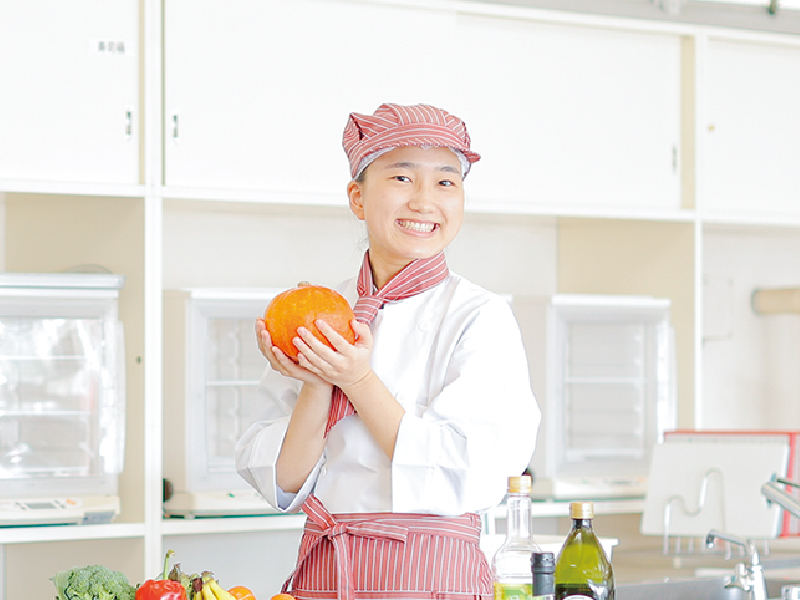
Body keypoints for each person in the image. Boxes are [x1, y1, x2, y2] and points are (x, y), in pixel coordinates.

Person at [236, 103, 541, 600]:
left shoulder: (480, 316)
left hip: (435, 580)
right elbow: (284, 484)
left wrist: (357, 380)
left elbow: (466, 473)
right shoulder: (316, 312)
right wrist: (318, 381)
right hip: (328, 573)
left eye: (446, 182)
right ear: (357, 197)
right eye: (401, 177)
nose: (425, 201)